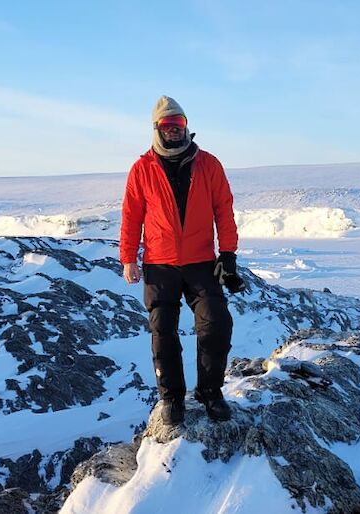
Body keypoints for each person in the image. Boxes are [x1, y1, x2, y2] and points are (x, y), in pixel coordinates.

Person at [120, 95, 245, 425]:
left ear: (186, 127)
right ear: (156, 129)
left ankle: (210, 392)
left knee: (216, 321)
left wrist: (228, 254)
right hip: (160, 263)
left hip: (201, 260)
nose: (174, 130)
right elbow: (132, 216)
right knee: (163, 329)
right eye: (167, 125)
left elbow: (224, 211)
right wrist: (128, 258)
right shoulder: (142, 168)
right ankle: (171, 397)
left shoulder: (209, 164)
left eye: (179, 124)